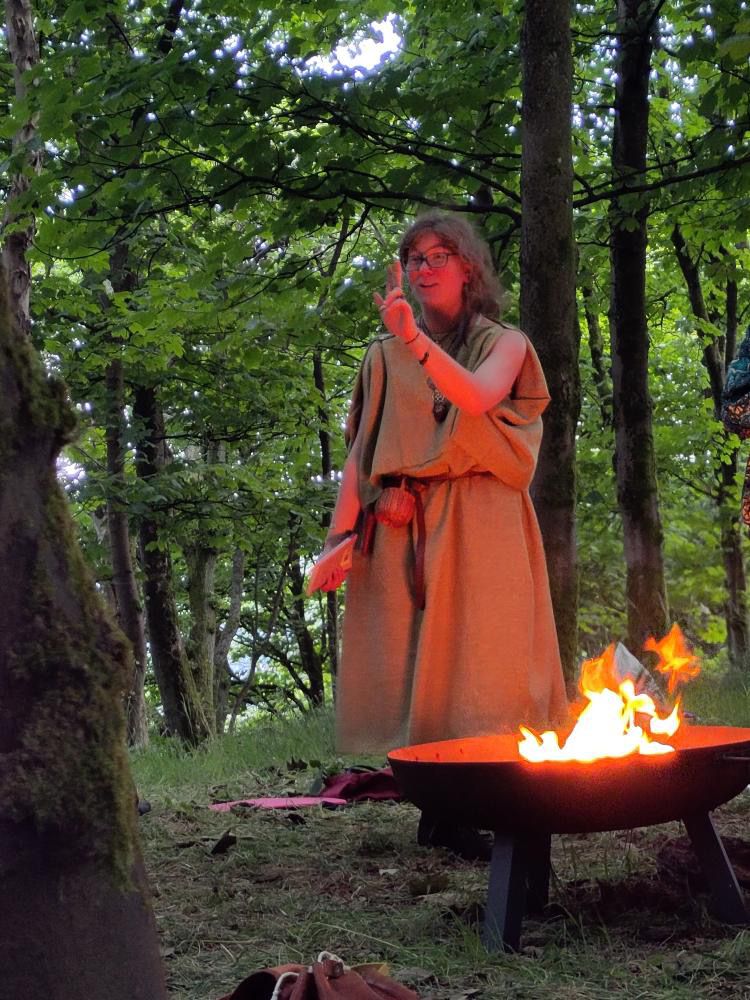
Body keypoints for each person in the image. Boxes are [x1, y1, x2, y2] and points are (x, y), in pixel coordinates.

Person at [310, 210, 568, 858]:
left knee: (488, 670)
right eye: (414, 258)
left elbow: (477, 398)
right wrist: (341, 537)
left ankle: (500, 802)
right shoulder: (382, 356)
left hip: (486, 520)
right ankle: (442, 810)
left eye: (438, 256)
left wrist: (416, 344)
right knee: (417, 674)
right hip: (404, 522)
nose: (424, 268)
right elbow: (360, 454)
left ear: (468, 268)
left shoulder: (505, 343)